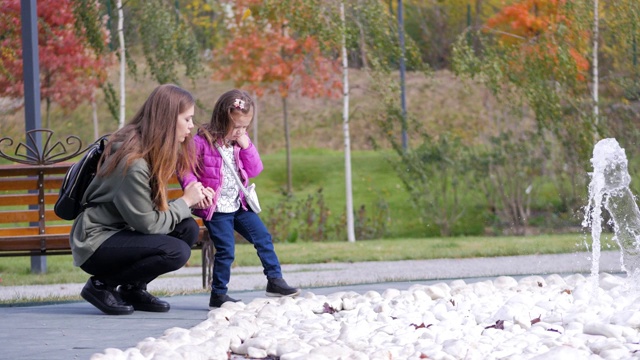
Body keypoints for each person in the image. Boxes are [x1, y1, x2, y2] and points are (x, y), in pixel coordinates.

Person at [70, 84, 214, 315]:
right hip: (96, 241)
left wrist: (192, 202)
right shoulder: (133, 163)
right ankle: (101, 285)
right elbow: (148, 224)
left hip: (121, 231)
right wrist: (186, 202)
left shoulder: (150, 149)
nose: (191, 126)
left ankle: (132, 288)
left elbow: (153, 212)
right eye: (187, 119)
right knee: (176, 251)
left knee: (186, 228)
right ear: (167, 119)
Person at [181, 89, 300, 308]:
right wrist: (194, 188)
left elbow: (255, 169)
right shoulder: (201, 142)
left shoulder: (239, 142)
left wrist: (247, 145)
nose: (240, 131)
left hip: (239, 204)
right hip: (216, 208)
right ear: (221, 119)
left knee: (263, 237)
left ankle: (275, 281)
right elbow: (185, 170)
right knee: (226, 250)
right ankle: (218, 294)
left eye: (245, 127)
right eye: (236, 127)